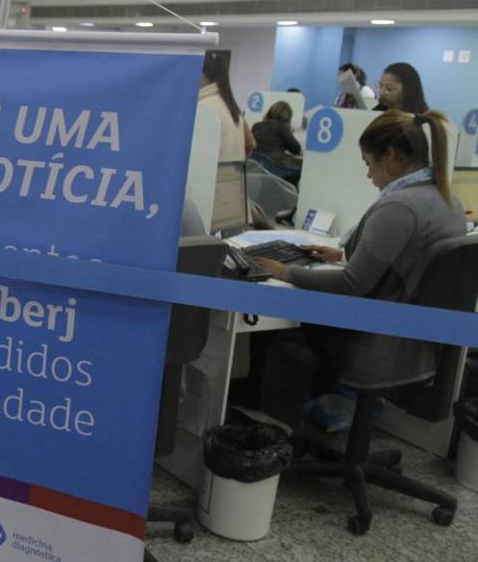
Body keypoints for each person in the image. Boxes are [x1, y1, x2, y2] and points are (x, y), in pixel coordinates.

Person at [255, 110, 465, 389]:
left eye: (368, 163)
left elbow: (350, 282)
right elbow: (407, 259)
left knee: (273, 329)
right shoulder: (450, 200)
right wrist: (342, 254)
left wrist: (285, 272)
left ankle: (280, 411)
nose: (368, 174)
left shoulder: (399, 206)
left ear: (389, 155)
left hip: (379, 339)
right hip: (416, 340)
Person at [199, 52, 256, 163]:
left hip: (211, 179)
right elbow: (250, 144)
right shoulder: (229, 106)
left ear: (202, 74)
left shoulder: (204, 108)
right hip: (230, 178)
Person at [251, 101, 302, 184]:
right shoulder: (281, 126)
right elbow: (296, 149)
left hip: (259, 164)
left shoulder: (256, 125)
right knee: (302, 167)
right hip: (275, 165)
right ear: (287, 116)